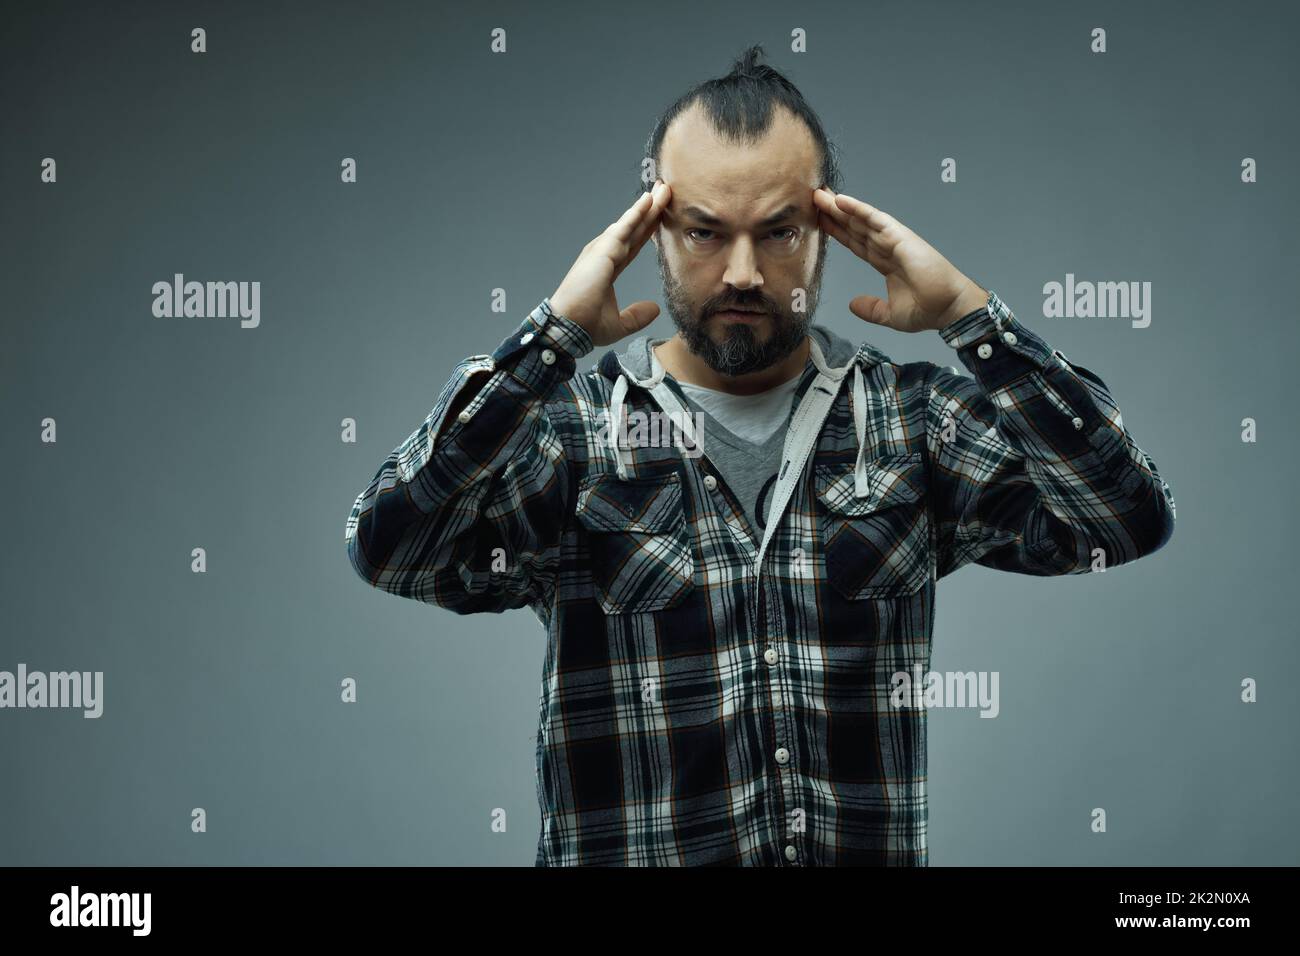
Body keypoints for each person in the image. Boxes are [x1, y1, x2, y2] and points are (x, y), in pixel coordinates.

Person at [344, 45, 1175, 866]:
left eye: (778, 232)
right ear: (653, 233)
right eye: (704, 231)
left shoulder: (910, 419)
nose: (742, 273)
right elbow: (392, 549)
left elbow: (1123, 521)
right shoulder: (574, 431)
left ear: (828, 229)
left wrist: (973, 318)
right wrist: (547, 346)